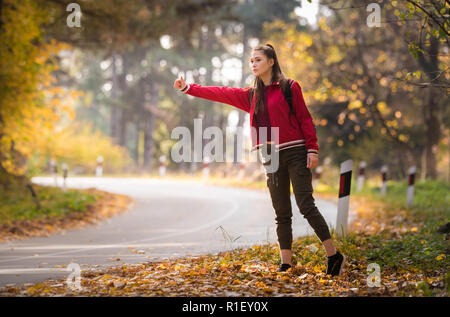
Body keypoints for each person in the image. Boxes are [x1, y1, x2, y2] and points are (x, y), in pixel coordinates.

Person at [173, 43, 345, 276]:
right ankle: (286, 264)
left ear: (271, 61)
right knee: (281, 211)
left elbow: (305, 118)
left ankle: (333, 255)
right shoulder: (252, 95)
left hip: (296, 151)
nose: (253, 64)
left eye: (258, 60)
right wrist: (188, 88)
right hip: (270, 155)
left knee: (306, 205)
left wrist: (312, 149)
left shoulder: (290, 87)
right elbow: (221, 93)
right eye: (251, 61)